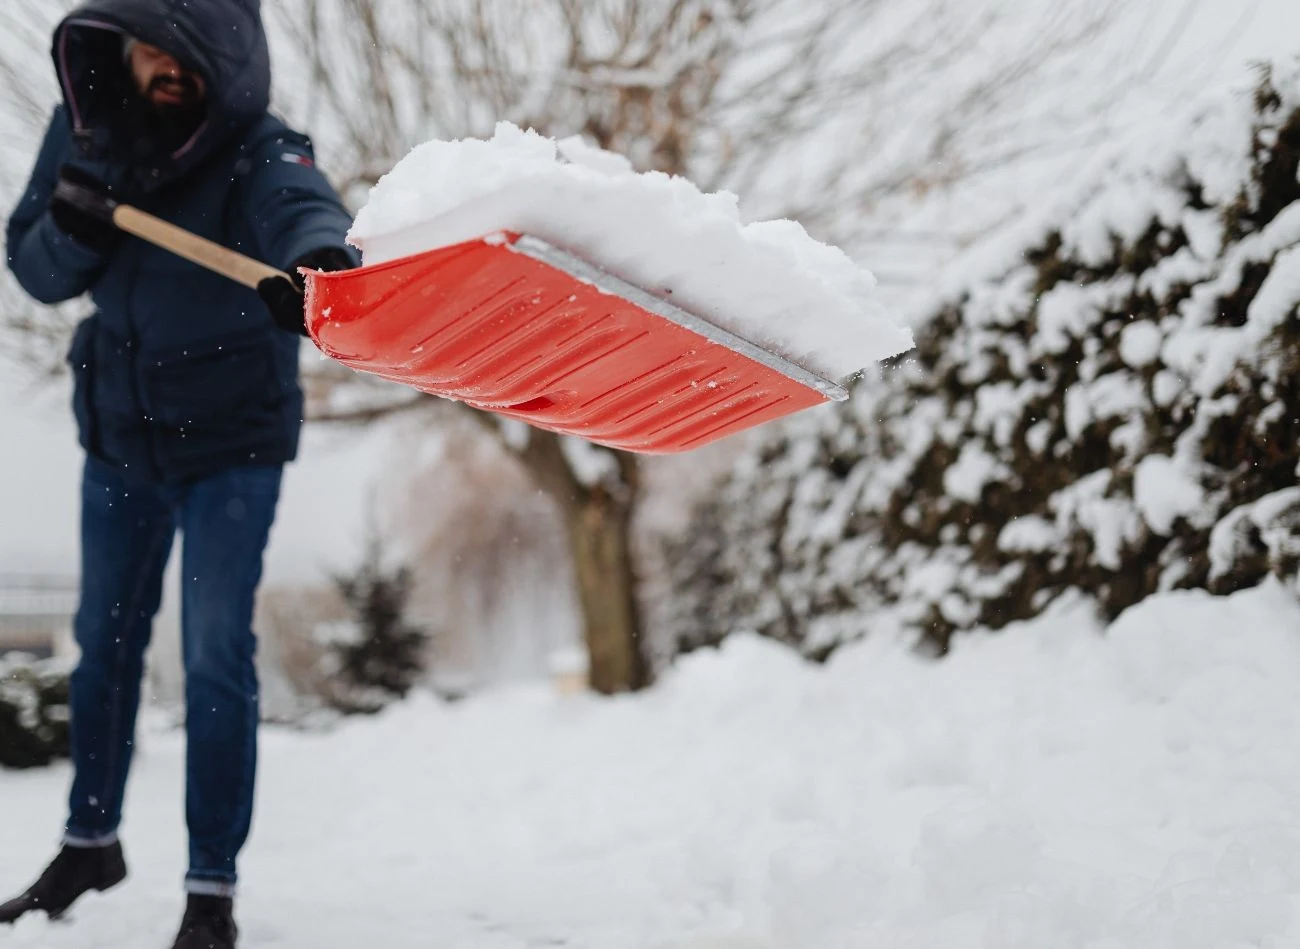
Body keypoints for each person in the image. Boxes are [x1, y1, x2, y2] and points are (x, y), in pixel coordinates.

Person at [0, 1, 358, 946]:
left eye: (176, 48)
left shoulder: (259, 146)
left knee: (211, 655)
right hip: (121, 434)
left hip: (231, 447)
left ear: (220, 52)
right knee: (102, 646)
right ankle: (90, 841)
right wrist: (73, 230)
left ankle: (211, 890)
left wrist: (317, 264)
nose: (157, 63)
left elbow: (303, 206)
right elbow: (33, 266)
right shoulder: (90, 131)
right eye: (143, 43)